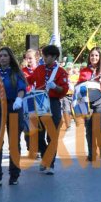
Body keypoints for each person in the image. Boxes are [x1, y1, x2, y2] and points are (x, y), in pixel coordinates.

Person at [25, 45, 69, 174]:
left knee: (52, 136)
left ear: (54, 57)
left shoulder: (61, 72)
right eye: (43, 55)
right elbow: (29, 80)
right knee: (37, 135)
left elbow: (64, 90)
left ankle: (50, 164)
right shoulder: (39, 69)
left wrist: (55, 87)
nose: (44, 58)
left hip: (53, 103)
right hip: (39, 103)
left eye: (46, 56)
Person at [0, 47, 26, 185]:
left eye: (5, 55)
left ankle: (14, 174)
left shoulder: (16, 73)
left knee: (14, 142)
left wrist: (19, 99)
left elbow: (21, 88)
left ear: (10, 57)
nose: (2, 58)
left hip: (13, 106)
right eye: (0, 56)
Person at [77, 47, 101, 161]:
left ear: (100, 57)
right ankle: (92, 153)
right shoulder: (84, 71)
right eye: (92, 55)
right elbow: (79, 86)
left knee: (99, 126)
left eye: (96, 55)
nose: (94, 57)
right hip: (87, 102)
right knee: (89, 128)